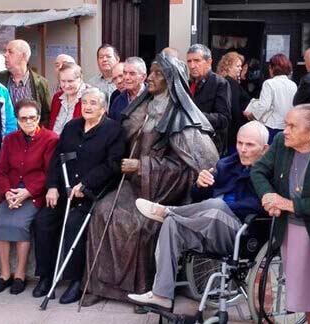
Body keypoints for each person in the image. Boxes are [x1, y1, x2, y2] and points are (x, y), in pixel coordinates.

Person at [84, 52, 219, 306]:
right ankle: (100, 286)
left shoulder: (182, 118)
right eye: (152, 72)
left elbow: (187, 168)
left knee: (139, 223)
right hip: (134, 185)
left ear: (171, 79)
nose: (151, 79)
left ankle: (143, 288)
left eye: (158, 74)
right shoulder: (143, 107)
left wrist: (142, 166)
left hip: (162, 190)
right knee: (102, 211)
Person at [126, 121, 270, 309]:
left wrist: (225, 206)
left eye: (249, 145)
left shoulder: (269, 171)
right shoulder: (227, 164)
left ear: (265, 148)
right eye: (239, 143)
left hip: (243, 232)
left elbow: (260, 205)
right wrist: (200, 184)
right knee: (171, 224)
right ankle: (161, 293)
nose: (242, 149)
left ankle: (168, 210)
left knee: (217, 206)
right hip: (211, 224)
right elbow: (198, 198)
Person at [35, 88, 126, 304]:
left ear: (103, 108)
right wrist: (52, 186)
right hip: (64, 189)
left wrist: (86, 184)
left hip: (92, 192)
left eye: (93, 103)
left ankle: (75, 280)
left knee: (74, 223)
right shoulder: (71, 127)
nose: (88, 106)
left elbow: (112, 165)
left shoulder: (114, 131)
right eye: (85, 102)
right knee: (43, 221)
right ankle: (46, 276)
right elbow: (58, 158)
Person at [250, 104, 310, 323]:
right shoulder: (281, 143)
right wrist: (268, 196)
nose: (284, 131)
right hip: (291, 232)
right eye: (285, 124)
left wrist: (288, 204)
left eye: (292, 126)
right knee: (306, 294)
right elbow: (259, 170)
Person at [0, 99, 59, 295]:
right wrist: (7, 192)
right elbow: (1, 170)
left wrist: (28, 191)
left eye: (32, 117)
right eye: (24, 118)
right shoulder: (10, 139)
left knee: (20, 225)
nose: (28, 121)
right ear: (17, 119)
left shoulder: (50, 139)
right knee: (1, 224)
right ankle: (4, 274)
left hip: (33, 193)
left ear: (38, 118)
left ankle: (19, 275)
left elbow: (49, 173)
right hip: (11, 191)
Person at [0, 40, 51, 128]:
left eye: (10, 52)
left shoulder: (40, 83)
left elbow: (46, 115)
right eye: (6, 51)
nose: (5, 55)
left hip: (30, 139)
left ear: (23, 56)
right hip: (5, 137)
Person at [186, 44, 231, 155]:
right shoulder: (187, 83)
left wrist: (195, 117)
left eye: (197, 61)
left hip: (210, 146)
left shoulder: (220, 83)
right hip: (188, 143)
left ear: (209, 62)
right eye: (189, 61)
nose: (192, 66)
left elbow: (224, 118)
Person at [245, 53, 297, 144]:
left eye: (269, 67)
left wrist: (252, 115)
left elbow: (264, 106)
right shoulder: (293, 85)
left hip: (272, 126)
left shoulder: (269, 83)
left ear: (273, 68)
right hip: (287, 127)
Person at [216, 51, 251, 154]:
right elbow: (234, 108)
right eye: (238, 66)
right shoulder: (231, 84)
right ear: (228, 67)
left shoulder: (223, 81)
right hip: (234, 131)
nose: (240, 68)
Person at [49, 62, 88, 134]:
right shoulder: (57, 97)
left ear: (80, 78)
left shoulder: (90, 96)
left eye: (70, 81)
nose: (66, 85)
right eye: (63, 81)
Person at [109, 57, 147, 121]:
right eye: (125, 73)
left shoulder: (153, 96)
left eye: (132, 73)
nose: (126, 77)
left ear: (143, 77)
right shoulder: (117, 101)